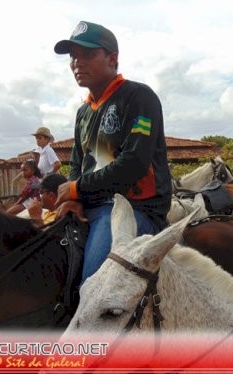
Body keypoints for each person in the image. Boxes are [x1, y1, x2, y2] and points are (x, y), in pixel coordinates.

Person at [53, 21, 172, 282]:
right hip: (90, 205)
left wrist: (77, 189)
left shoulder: (138, 96)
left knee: (94, 286)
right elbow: (77, 162)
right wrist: (74, 198)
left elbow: (135, 163)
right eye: (73, 57)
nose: (77, 63)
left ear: (112, 58)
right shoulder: (83, 112)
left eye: (88, 54)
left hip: (130, 209)